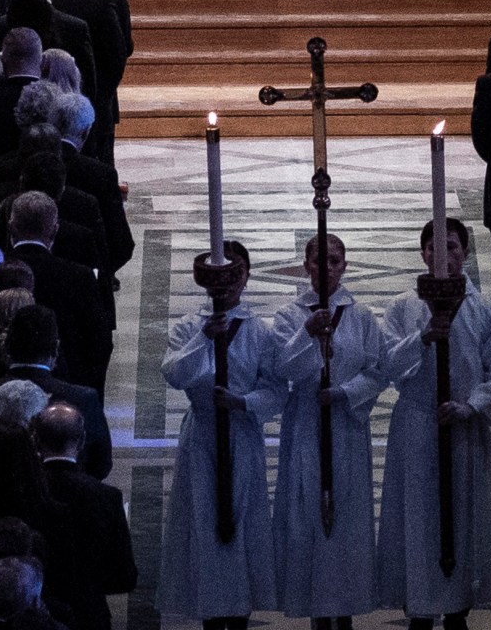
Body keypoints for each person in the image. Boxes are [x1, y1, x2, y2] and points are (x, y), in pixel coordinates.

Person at [375, 219, 491, 629]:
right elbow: (388, 364)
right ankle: (419, 605)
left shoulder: (485, 311)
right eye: (436, 248)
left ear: (466, 253)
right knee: (418, 518)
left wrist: (471, 405)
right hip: (418, 425)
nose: (445, 256)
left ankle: (458, 607)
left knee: (464, 519)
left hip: (463, 429)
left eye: (453, 247)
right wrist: (423, 337)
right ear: (423, 254)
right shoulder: (405, 307)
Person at [160, 241, 282, 630]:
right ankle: (211, 612)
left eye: (239, 271)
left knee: (241, 525)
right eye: (223, 272)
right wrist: (204, 339)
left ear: (245, 277)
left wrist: (243, 402)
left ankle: (239, 612)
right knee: (204, 523)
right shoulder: (187, 326)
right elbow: (175, 374)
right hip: (202, 437)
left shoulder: (259, 332)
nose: (230, 282)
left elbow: (278, 390)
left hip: (242, 436)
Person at [270, 234, 384, 630]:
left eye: (334, 261)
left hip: (347, 428)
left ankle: (346, 609)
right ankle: (317, 611)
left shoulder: (362, 316)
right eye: (319, 262)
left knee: (347, 521)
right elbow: (282, 367)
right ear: (306, 266)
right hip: (305, 424)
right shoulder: (288, 315)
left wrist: (345, 393)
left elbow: (378, 369)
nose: (326, 269)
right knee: (308, 519)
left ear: (345, 266)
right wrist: (307, 332)